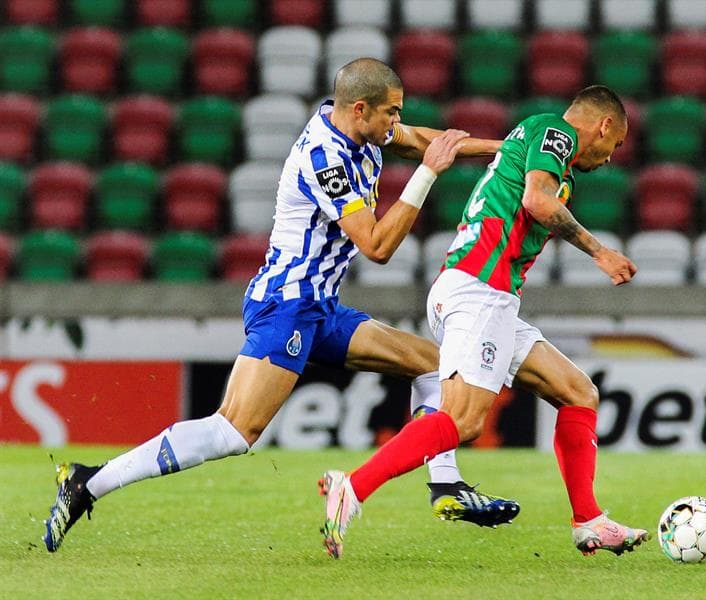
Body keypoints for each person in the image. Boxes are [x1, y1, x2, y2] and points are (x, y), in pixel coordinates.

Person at [42, 58, 520, 553]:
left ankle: (445, 486)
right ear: (360, 110)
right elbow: (377, 246)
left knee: (433, 366)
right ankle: (86, 482)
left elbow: (427, 140)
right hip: (286, 304)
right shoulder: (325, 158)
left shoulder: (362, 129)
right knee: (232, 430)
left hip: (321, 309)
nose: (397, 123)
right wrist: (425, 176)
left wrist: (509, 150)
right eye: (391, 114)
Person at [321, 85, 651, 559]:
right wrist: (600, 251)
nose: (610, 156)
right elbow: (538, 201)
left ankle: (588, 520)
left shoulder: (538, 142)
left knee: (579, 392)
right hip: (480, 290)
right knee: (464, 419)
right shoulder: (555, 132)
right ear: (604, 126)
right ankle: (352, 487)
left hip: (483, 295)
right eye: (615, 144)